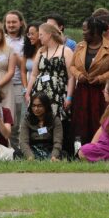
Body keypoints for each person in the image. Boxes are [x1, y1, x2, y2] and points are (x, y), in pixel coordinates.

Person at [70, 16, 109, 149]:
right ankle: (79, 150)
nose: (83, 33)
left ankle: (99, 149)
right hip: (82, 91)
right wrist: (78, 75)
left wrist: (101, 78)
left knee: (99, 120)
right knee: (80, 121)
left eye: (85, 30)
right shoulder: (79, 46)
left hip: (101, 92)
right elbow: (72, 66)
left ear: (95, 31)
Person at [26, 22, 74, 155]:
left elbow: (71, 77)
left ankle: (62, 151)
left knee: (59, 121)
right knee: (41, 120)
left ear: (49, 34)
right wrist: (28, 93)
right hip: (40, 92)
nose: (39, 37)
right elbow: (34, 74)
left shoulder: (66, 50)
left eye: (41, 34)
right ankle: (41, 150)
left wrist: (69, 97)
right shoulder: (41, 51)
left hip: (58, 93)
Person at [3, 10, 28, 143]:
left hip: (18, 84)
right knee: (5, 118)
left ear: (21, 23)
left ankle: (18, 147)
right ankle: (6, 147)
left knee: (18, 120)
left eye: (14, 22)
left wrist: (14, 54)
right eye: (8, 22)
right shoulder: (0, 40)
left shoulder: (26, 41)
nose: (11, 25)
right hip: (2, 84)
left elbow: (26, 66)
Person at [18, 92, 63, 161]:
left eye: (39, 106)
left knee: (63, 154)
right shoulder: (27, 120)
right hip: (32, 150)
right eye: (33, 106)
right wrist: (30, 157)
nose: (36, 109)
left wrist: (54, 156)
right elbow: (23, 142)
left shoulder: (55, 120)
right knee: (17, 153)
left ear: (46, 106)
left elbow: (58, 142)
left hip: (50, 150)